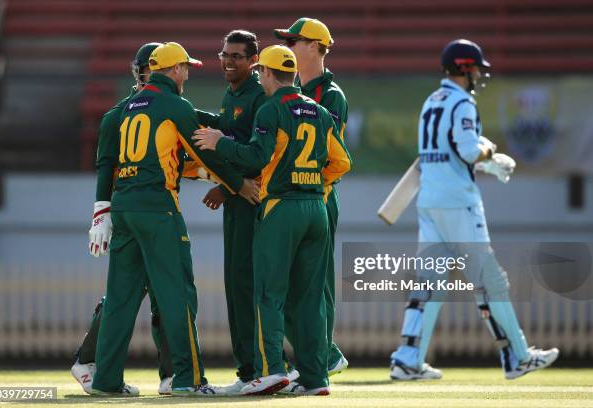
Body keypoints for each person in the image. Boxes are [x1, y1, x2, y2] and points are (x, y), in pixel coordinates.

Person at [89, 41, 259, 397]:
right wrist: (237, 184)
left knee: (120, 297)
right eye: (186, 68)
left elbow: (108, 150)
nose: (187, 75)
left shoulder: (123, 109)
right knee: (178, 293)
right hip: (158, 209)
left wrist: (101, 209)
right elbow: (204, 152)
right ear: (176, 70)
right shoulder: (174, 104)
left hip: (124, 207)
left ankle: (105, 381)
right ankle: (188, 379)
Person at [389, 39, 559, 381]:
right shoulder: (462, 103)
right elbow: (467, 150)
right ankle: (518, 355)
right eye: (476, 68)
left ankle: (408, 359)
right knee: (490, 282)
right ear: (465, 68)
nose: (479, 75)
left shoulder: (430, 101)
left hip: (429, 200)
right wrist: (489, 152)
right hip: (459, 203)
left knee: (429, 282)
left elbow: (441, 153)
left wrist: (486, 165)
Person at [193, 45, 351, 396]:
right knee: (310, 299)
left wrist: (220, 143)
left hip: (282, 207)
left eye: (261, 72)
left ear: (265, 73)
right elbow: (342, 163)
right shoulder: (319, 111)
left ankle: (270, 371)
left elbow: (256, 154)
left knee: (269, 292)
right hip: (316, 209)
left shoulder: (270, 109)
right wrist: (314, 183)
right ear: (293, 73)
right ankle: (315, 379)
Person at [74, 42, 174, 396]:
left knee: (156, 292)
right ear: (145, 70)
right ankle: (89, 359)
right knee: (128, 293)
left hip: (146, 207)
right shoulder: (118, 114)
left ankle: (170, 372)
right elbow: (105, 166)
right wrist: (102, 212)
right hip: (131, 211)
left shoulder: (164, 107)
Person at [274, 17, 350, 376]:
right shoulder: (286, 91)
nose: (288, 46)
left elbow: (326, 151)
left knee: (316, 282)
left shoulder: (331, 96)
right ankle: (322, 351)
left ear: (316, 47)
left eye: (294, 41)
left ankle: (325, 353)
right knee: (282, 285)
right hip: (287, 197)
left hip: (318, 197)